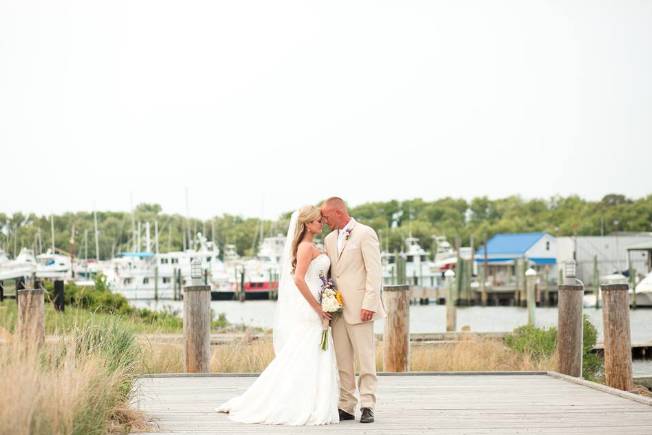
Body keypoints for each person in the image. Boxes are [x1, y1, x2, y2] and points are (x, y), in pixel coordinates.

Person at [216, 205, 339, 425]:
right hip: (311, 306)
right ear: (308, 224)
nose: (322, 223)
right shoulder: (305, 247)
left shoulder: (313, 246)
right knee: (306, 350)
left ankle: (317, 398)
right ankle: (300, 400)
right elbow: (299, 279)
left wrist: (327, 298)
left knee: (312, 350)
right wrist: (318, 307)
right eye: (319, 220)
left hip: (320, 300)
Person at [321, 197, 386, 424]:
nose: (324, 220)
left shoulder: (365, 233)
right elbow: (330, 274)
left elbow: (374, 271)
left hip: (361, 307)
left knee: (366, 358)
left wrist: (370, 303)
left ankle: (368, 404)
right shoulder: (329, 239)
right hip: (337, 309)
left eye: (326, 216)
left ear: (338, 212)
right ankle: (346, 405)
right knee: (343, 360)